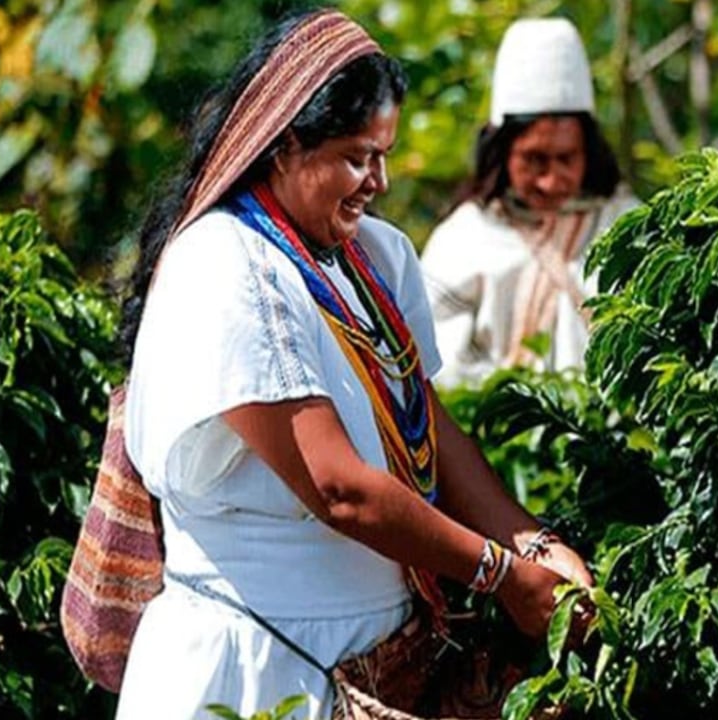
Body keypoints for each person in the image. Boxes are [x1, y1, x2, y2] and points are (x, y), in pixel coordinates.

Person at [114, 9, 590, 718]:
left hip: (377, 662)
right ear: (283, 148)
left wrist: (533, 542)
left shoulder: (378, 255)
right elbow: (338, 487)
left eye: (385, 155)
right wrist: (501, 575)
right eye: (356, 157)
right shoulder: (223, 263)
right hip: (250, 665)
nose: (378, 181)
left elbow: (427, 422)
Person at [420, 18, 639, 387]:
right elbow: (437, 366)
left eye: (567, 158)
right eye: (535, 160)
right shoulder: (462, 242)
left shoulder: (627, 227)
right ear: (504, 152)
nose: (552, 181)